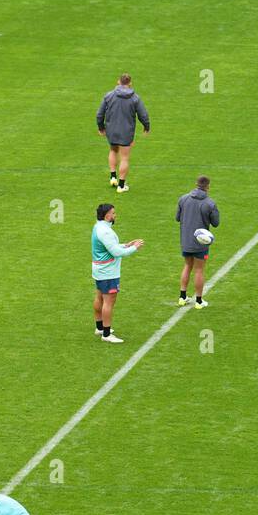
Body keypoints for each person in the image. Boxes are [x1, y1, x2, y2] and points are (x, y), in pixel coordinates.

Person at [91, 204, 144, 343]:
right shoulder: (106, 232)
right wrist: (134, 248)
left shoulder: (99, 227)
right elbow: (116, 252)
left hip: (100, 270)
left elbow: (108, 248)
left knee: (99, 297)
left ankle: (100, 327)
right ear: (107, 215)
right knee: (108, 301)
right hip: (108, 272)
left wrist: (126, 245)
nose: (115, 216)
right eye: (113, 213)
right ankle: (106, 334)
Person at [95, 73, 150, 193]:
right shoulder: (135, 98)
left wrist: (101, 127)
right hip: (126, 132)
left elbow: (100, 113)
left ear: (118, 82)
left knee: (113, 150)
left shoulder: (109, 95)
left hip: (111, 130)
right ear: (130, 83)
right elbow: (143, 114)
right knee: (124, 158)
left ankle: (113, 176)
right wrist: (146, 126)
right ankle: (121, 185)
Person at [176, 175, 219, 308]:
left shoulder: (183, 199)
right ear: (208, 186)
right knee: (199, 270)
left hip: (186, 240)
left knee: (187, 266)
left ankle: (182, 297)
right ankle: (199, 301)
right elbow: (216, 223)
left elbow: (178, 218)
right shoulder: (210, 203)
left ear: (196, 184)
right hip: (201, 243)